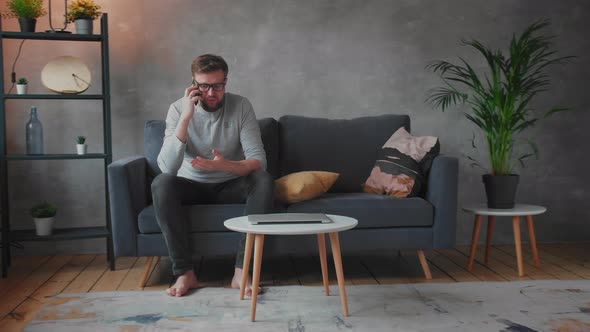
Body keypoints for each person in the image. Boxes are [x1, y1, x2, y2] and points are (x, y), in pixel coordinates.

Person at [152, 54, 274, 297]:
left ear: (225, 83)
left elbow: (259, 161)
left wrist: (224, 166)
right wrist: (186, 118)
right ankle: (184, 273)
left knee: (263, 180)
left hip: (230, 183)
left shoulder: (241, 106)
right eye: (204, 86)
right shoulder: (177, 109)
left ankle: (242, 271)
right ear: (193, 85)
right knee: (161, 183)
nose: (210, 93)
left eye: (217, 86)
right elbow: (167, 167)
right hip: (191, 185)